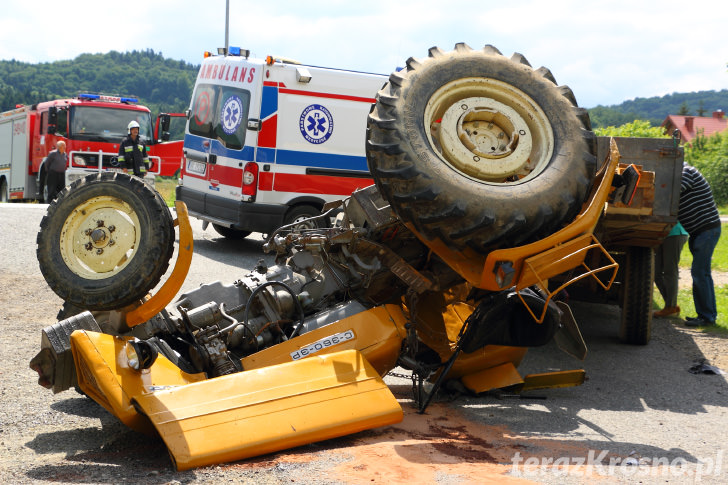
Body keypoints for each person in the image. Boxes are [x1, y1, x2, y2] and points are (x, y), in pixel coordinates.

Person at [677, 162, 721, 326]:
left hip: (706, 230)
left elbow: (672, 191)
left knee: (700, 273)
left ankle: (707, 316)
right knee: (702, 273)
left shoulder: (687, 172)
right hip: (701, 232)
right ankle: (705, 315)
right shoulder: (684, 171)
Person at [653, 222, 688, 317]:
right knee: (656, 273)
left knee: (670, 271)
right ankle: (671, 306)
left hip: (675, 233)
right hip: (663, 234)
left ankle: (670, 306)